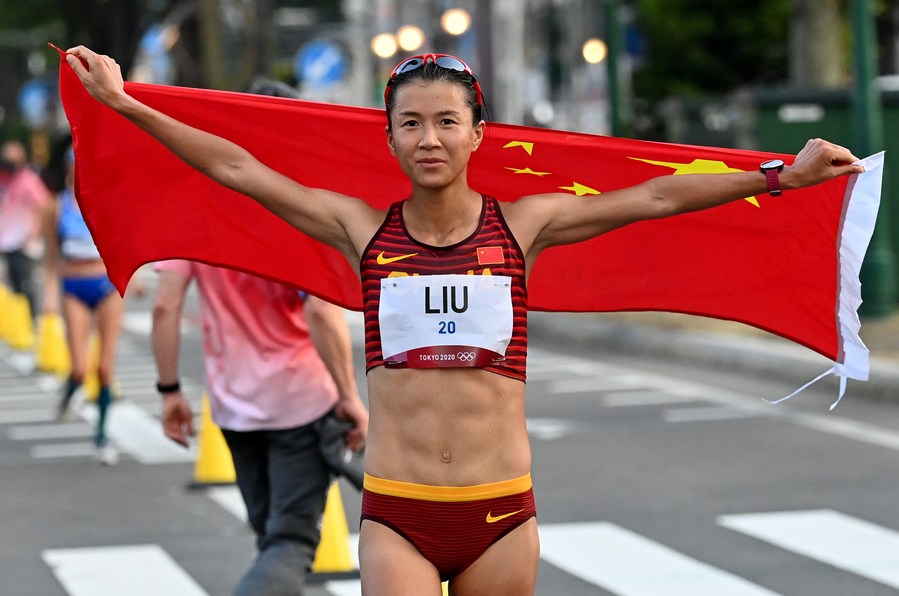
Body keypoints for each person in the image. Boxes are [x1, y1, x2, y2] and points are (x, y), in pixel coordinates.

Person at [65, 46, 863, 595]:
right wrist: (124, 103)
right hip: (398, 512)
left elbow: (654, 195)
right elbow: (237, 168)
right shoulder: (359, 230)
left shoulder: (525, 225)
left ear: (477, 135)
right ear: (389, 138)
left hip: (501, 511)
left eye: (447, 121)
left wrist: (776, 177)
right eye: (411, 123)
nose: (429, 138)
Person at [151, 259, 368, 595]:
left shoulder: (195, 225)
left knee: (269, 535)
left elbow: (165, 305)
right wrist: (349, 395)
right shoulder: (298, 224)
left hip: (232, 403)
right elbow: (322, 311)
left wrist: (170, 391)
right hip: (299, 397)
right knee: (290, 540)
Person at [42, 146, 134, 465]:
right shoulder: (56, 206)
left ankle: (102, 435)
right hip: (74, 284)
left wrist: (132, 278)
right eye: (74, 164)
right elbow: (50, 256)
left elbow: (123, 243)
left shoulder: (106, 201)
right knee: (79, 368)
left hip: (105, 285)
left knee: (105, 368)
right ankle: (69, 393)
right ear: (68, 168)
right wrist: (50, 294)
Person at [0, 140, 52, 319]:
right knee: (11, 287)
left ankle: (30, 321)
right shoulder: (5, 179)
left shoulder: (28, 180)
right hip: (7, 241)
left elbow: (45, 205)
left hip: (22, 243)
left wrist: (35, 232)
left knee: (25, 286)